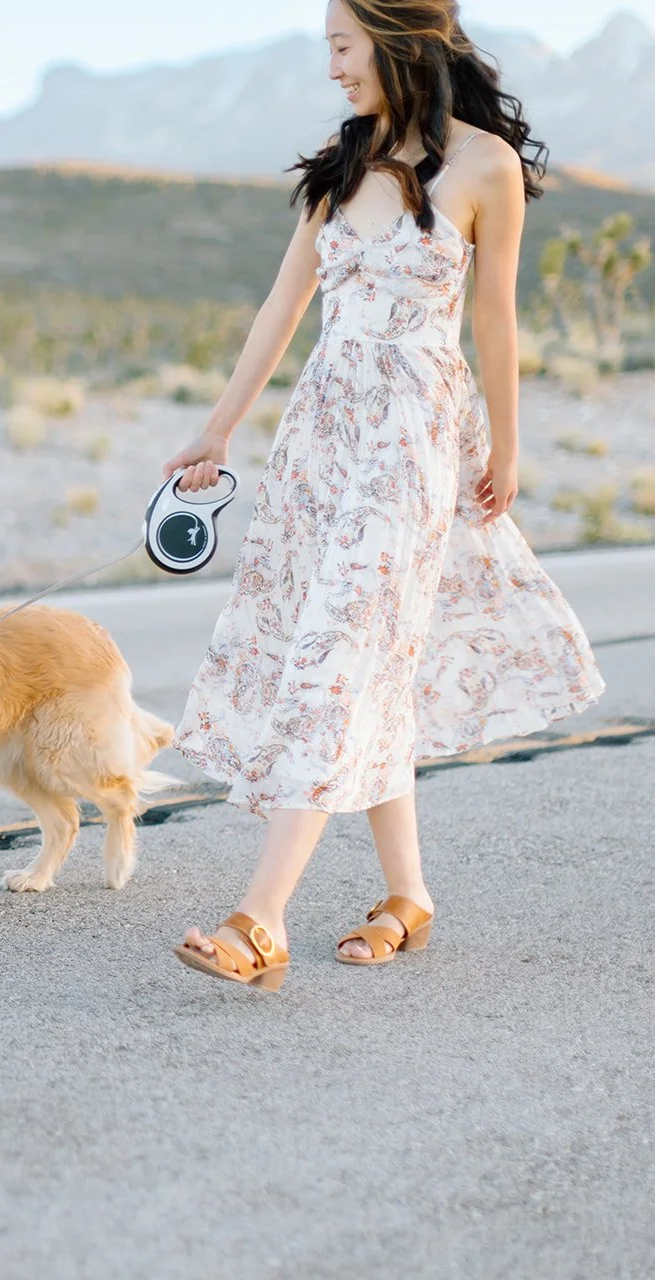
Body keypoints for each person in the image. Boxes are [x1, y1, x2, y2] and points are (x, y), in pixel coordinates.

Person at [163, 0, 604, 990]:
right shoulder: (341, 159)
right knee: (364, 669)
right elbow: (285, 302)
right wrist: (218, 427)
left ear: (399, 42)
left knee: (337, 658)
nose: (330, 67)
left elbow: (494, 323)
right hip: (320, 439)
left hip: (411, 443)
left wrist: (505, 446)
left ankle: (258, 917)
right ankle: (408, 895)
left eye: (340, 45)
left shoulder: (486, 168)